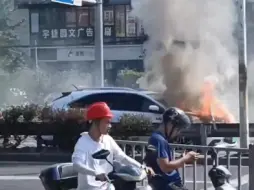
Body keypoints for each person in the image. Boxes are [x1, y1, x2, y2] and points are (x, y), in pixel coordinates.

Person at [72, 102, 154, 190]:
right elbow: (77, 165)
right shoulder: (83, 142)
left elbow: (122, 157)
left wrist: (142, 167)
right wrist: (96, 173)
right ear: (95, 122)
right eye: (107, 122)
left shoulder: (107, 139)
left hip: (107, 186)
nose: (110, 126)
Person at [146, 107, 200, 190]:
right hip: (167, 185)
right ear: (170, 124)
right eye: (178, 129)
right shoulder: (159, 140)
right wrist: (185, 158)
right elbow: (165, 167)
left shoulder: (158, 138)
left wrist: (181, 158)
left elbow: (159, 163)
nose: (178, 133)